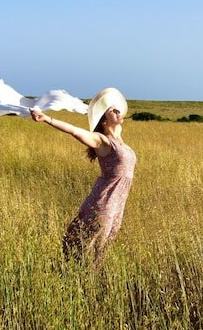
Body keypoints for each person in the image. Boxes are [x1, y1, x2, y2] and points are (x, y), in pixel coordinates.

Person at [30, 88, 136, 266]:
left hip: (118, 203)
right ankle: (75, 275)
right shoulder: (101, 140)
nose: (118, 111)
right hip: (104, 201)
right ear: (103, 120)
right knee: (92, 245)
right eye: (112, 110)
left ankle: (82, 276)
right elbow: (75, 131)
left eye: (118, 109)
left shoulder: (121, 142)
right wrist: (47, 119)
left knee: (102, 247)